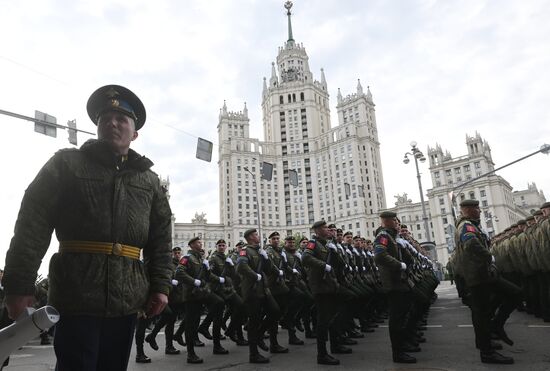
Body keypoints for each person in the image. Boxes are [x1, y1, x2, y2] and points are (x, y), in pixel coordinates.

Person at [1, 85, 173, 371]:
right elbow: (32, 223)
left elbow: (160, 240)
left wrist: (161, 286)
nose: (112, 122)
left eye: (121, 119)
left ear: (135, 132)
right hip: (76, 294)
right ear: (97, 126)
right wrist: (19, 285)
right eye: (105, 117)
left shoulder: (150, 181)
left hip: (128, 299)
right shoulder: (67, 164)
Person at [454, 199, 521, 365]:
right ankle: (487, 351)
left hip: (483, 274)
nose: (479, 210)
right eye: (476, 208)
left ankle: (490, 335)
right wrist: (487, 255)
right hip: (479, 275)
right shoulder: (466, 225)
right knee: (485, 311)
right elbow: (470, 244)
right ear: (467, 210)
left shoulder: (471, 225)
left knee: (485, 310)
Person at [373, 211, 417, 364]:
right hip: (393, 282)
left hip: (400, 281)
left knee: (404, 314)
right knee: (397, 318)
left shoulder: (393, 237)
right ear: (388, 221)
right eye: (395, 221)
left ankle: (403, 345)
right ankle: (398, 352)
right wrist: (399, 265)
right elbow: (379, 255)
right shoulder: (383, 236)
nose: (398, 224)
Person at [175, 237, 227, 364]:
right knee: (192, 323)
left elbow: (208, 275)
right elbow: (179, 273)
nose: (201, 243)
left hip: (203, 292)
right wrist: (194, 281)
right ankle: (191, 353)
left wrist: (213, 274)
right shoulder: (186, 258)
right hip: (192, 295)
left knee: (219, 303)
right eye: (198, 242)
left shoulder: (201, 259)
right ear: (192, 245)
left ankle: (215, 343)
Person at [236, 228, 281, 364]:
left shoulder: (260, 252)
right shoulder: (245, 251)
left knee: (275, 311)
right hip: (252, 291)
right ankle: (253, 354)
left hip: (264, 289)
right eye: (256, 234)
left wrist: (266, 259)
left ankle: (260, 335)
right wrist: (254, 275)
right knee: (253, 322)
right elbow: (241, 266)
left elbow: (269, 270)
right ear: (250, 237)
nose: (258, 236)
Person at [301, 220, 343, 365]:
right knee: (323, 320)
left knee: (332, 316)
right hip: (320, 286)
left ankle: (335, 345)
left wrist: (335, 251)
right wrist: (323, 265)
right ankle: (322, 354)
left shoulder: (327, 244)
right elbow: (305, 258)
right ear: (317, 230)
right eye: (325, 227)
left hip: (330, 285)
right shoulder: (313, 243)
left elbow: (338, 264)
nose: (328, 229)